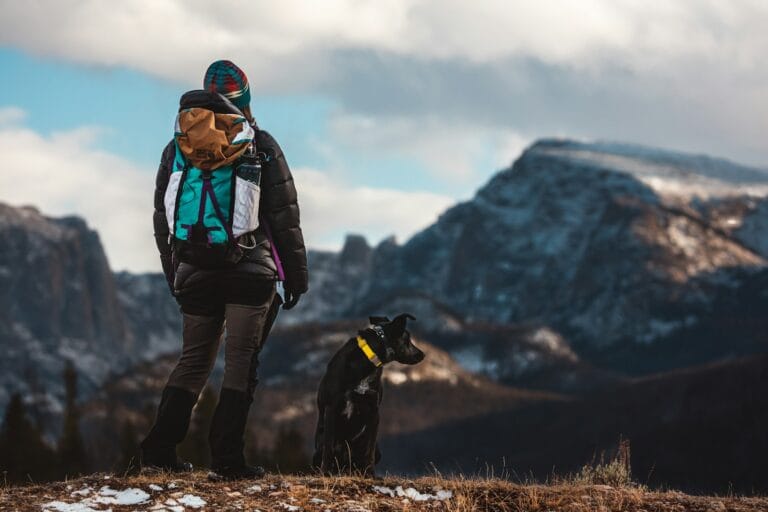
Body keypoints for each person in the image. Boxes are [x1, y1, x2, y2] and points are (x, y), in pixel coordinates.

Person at [140, 60, 308, 480]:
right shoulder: (261, 144)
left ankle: (159, 450)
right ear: (245, 99)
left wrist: (173, 272)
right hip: (250, 272)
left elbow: (163, 216)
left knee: (193, 360)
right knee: (239, 363)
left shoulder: (177, 145)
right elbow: (284, 217)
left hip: (194, 269)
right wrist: (297, 278)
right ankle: (228, 461)